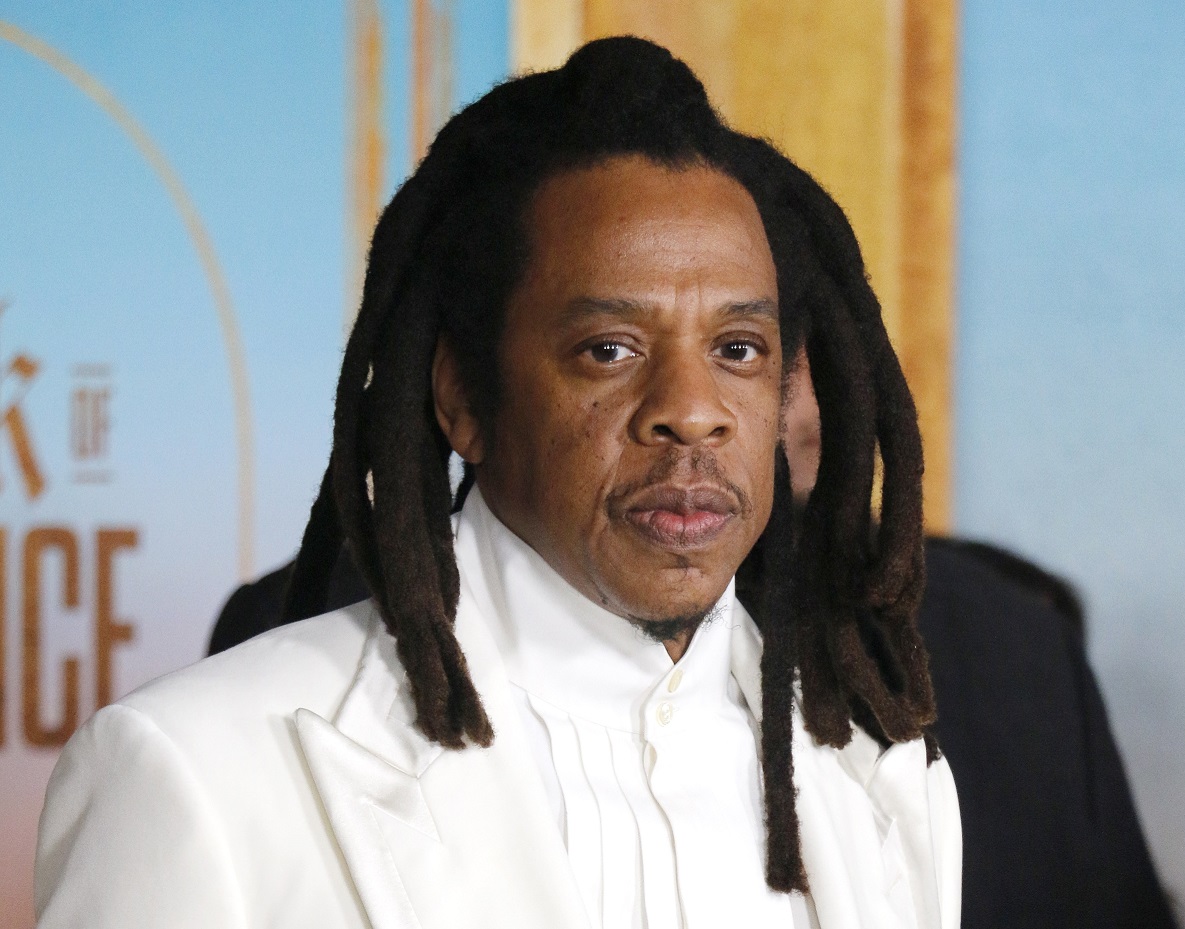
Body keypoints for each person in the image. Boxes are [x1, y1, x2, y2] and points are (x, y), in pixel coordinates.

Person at [35, 38, 960, 929]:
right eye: (609, 349)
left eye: (737, 350)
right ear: (463, 397)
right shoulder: (197, 771)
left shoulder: (883, 780)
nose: (692, 409)